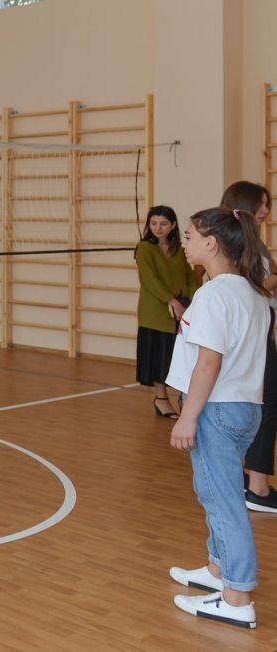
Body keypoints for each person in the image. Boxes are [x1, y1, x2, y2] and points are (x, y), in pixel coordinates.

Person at [167, 207, 270, 630]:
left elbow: (209, 362)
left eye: (190, 236)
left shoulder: (213, 295)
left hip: (217, 408)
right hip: (246, 408)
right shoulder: (253, 292)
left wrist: (187, 417)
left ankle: (237, 596)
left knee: (223, 501)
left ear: (211, 244)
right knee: (214, 491)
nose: (185, 242)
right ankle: (218, 569)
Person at [219, 181, 277, 513]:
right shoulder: (236, 243)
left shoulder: (255, 242)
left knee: (263, 406)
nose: (266, 210)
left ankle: (251, 480)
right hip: (252, 336)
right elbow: (248, 287)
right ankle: (257, 487)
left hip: (261, 332)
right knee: (266, 405)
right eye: (261, 204)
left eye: (268, 204)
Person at [134, 206, 196, 417]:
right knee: (159, 357)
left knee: (181, 356)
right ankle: (161, 398)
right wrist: (172, 302)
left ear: (173, 225)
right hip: (156, 312)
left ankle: (183, 397)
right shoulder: (144, 248)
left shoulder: (178, 248)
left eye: (163, 223)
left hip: (182, 309)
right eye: (153, 223)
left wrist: (191, 301)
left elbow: (189, 276)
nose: (158, 228)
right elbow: (150, 280)